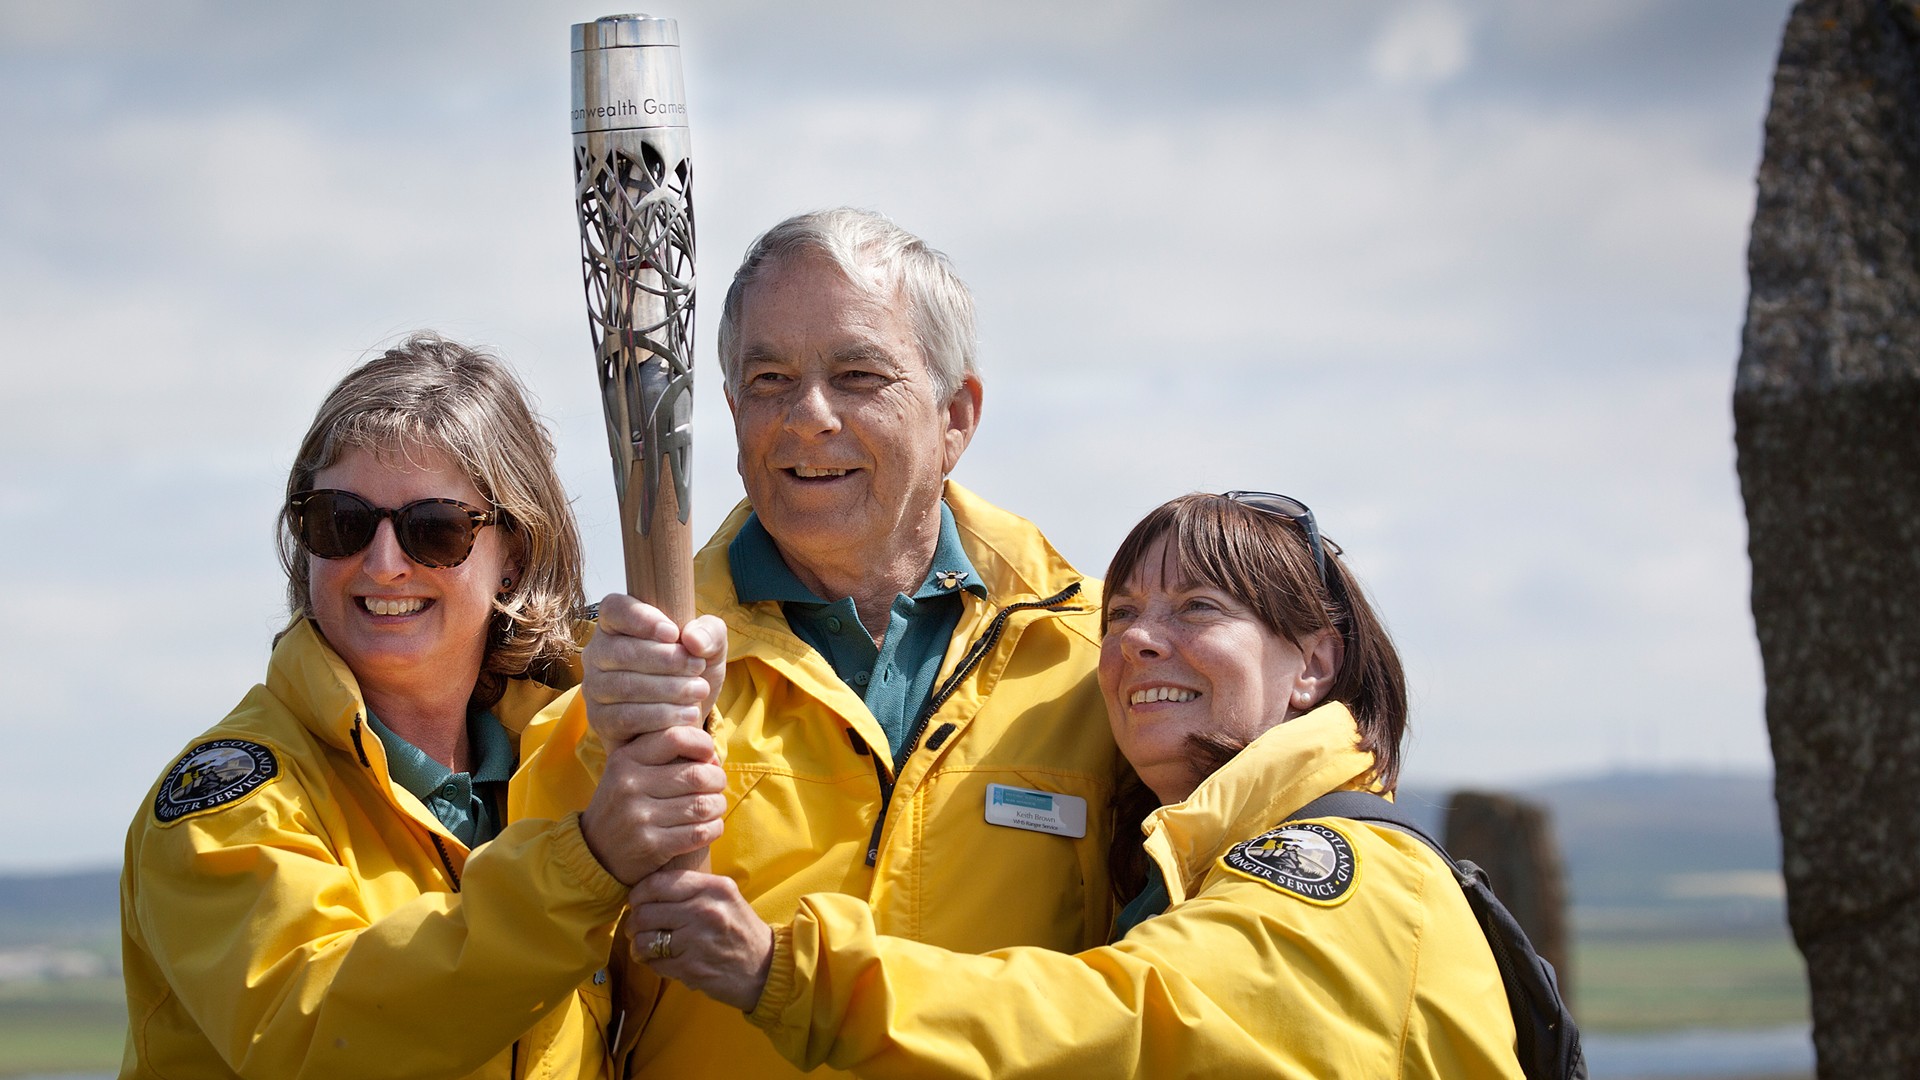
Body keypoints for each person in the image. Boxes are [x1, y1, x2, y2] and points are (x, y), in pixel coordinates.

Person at [622, 491, 1528, 1079]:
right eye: (1123, 612)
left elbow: (1122, 1028)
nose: (1135, 640)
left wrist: (791, 974)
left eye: (1200, 608)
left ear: (1313, 666)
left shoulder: (1345, 871)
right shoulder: (1188, 866)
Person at [582, 208, 1121, 1077]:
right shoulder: (626, 675)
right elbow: (550, 989)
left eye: (859, 374)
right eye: (769, 380)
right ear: (727, 413)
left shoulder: (1096, 660)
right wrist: (591, 771)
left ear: (957, 416)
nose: (809, 416)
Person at [118, 335, 725, 1080]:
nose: (381, 563)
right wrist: (586, 863)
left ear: (517, 554)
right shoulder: (230, 809)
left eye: (432, 528)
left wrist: (689, 719)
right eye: (340, 521)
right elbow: (323, 1037)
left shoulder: (578, 762)